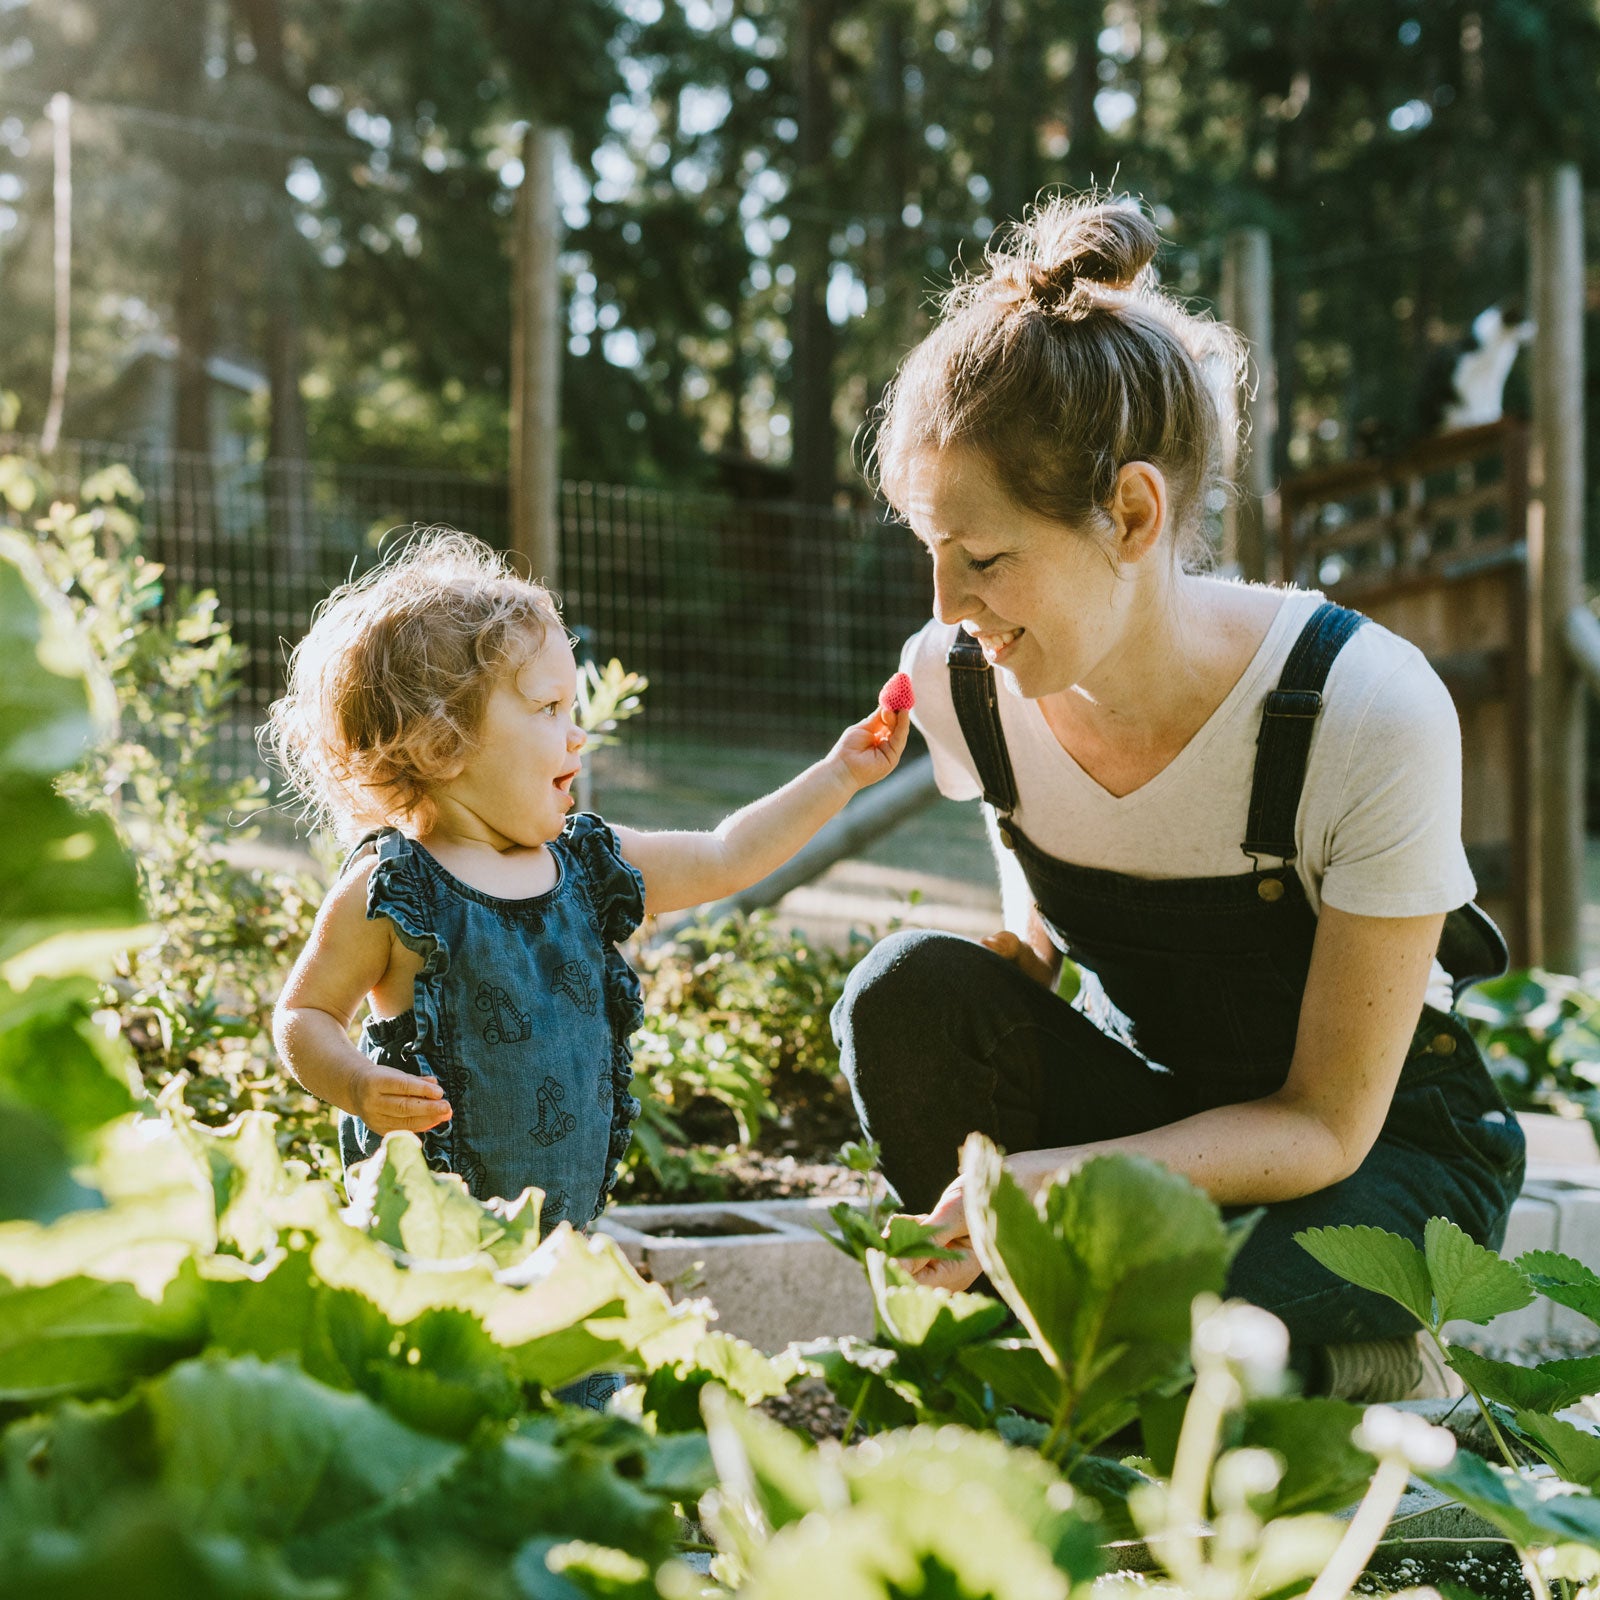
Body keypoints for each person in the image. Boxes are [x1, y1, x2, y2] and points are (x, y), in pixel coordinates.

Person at [830, 195, 1525, 1400]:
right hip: (1169, 1112)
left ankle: (1362, 1361)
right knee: (904, 994)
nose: (946, 605)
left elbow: (1322, 1124)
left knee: (1174, 1278)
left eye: (985, 558)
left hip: (1372, 1161)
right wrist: (1025, 958)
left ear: (1134, 514)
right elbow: (1042, 868)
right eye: (928, 548)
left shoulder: (1362, 706)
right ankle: (1095, 1359)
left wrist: (1080, 1181)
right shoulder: (966, 684)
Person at [268, 528, 908, 1241]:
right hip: (426, 1244)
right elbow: (304, 1016)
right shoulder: (393, 892)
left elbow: (728, 856)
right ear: (440, 743)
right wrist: (356, 1084)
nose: (577, 736)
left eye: (574, 710)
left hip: (559, 1244)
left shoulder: (587, 867)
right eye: (548, 710)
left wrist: (840, 774)